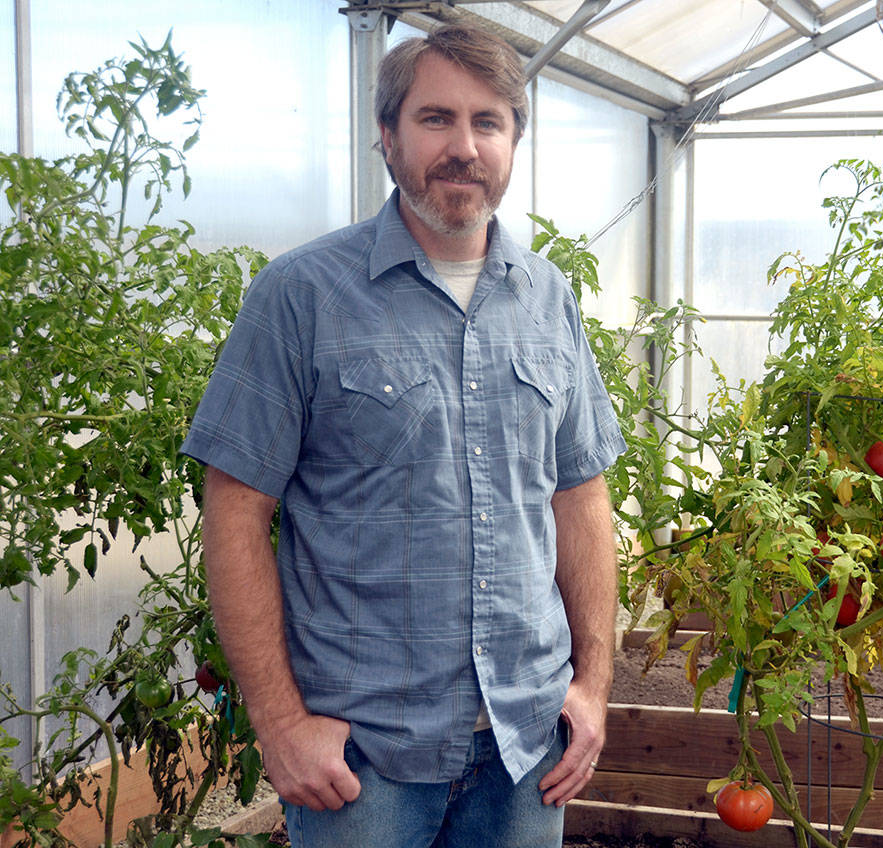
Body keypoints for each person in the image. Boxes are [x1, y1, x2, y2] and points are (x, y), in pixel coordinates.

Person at [181, 25, 624, 848]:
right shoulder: (302, 295)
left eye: (488, 122)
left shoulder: (548, 297)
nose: (464, 147)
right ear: (387, 137)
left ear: (515, 142)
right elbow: (236, 512)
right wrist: (279, 724)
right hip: (363, 760)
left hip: (527, 751)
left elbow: (580, 493)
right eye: (435, 119)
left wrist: (593, 686)